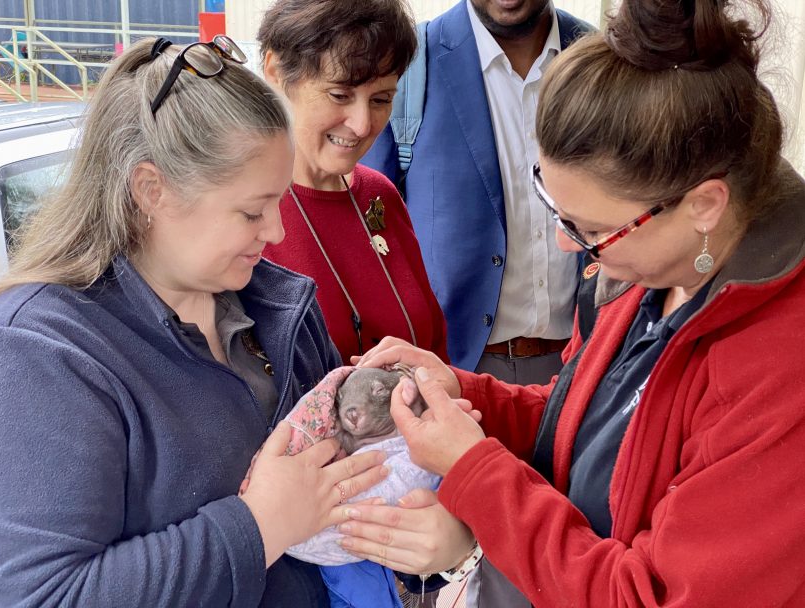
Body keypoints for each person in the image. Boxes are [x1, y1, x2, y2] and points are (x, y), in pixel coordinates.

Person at [340, 0, 805, 605]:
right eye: (555, 210)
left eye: (589, 227)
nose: (567, 244)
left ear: (704, 205)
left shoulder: (779, 367)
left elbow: (647, 596)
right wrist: (464, 393)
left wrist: (476, 488)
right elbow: (576, 421)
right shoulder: (650, 269)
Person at [0, 36, 390, 607]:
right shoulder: (42, 352)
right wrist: (258, 527)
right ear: (151, 190)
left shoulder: (278, 306)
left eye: (280, 202)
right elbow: (43, 595)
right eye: (252, 210)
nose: (276, 232)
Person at [362, 1, 592, 604]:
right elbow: (373, 224)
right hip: (463, 375)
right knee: (460, 573)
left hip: (583, 370)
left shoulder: (595, 58)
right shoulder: (413, 67)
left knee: (564, 560)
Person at [257, 0, 449, 366]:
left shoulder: (380, 196)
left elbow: (435, 348)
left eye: (381, 99)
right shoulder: (242, 211)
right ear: (276, 72)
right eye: (340, 95)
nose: (363, 125)